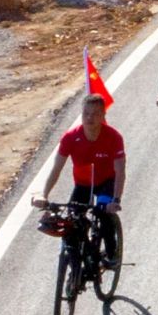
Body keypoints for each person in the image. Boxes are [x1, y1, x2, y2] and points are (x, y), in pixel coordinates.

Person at [32, 93, 124, 262]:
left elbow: (120, 172)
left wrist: (116, 200)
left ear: (103, 116)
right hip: (83, 185)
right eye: (86, 113)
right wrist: (43, 194)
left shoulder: (114, 137)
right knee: (73, 225)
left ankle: (112, 255)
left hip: (106, 183)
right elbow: (56, 169)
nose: (90, 118)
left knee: (104, 214)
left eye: (96, 114)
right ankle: (75, 271)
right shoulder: (70, 137)